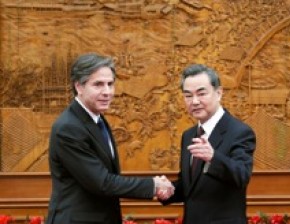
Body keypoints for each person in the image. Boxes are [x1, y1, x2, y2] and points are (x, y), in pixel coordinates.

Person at [46, 53, 174, 224]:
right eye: (98, 84)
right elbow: (102, 182)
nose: (107, 92)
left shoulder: (96, 118)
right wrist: (154, 186)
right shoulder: (69, 128)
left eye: (110, 84)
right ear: (79, 86)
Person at [161, 64, 256, 224]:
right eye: (188, 95)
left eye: (201, 93)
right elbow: (191, 186)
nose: (195, 101)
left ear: (218, 93)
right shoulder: (189, 135)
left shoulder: (240, 131)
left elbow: (242, 175)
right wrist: (167, 190)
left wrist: (213, 157)